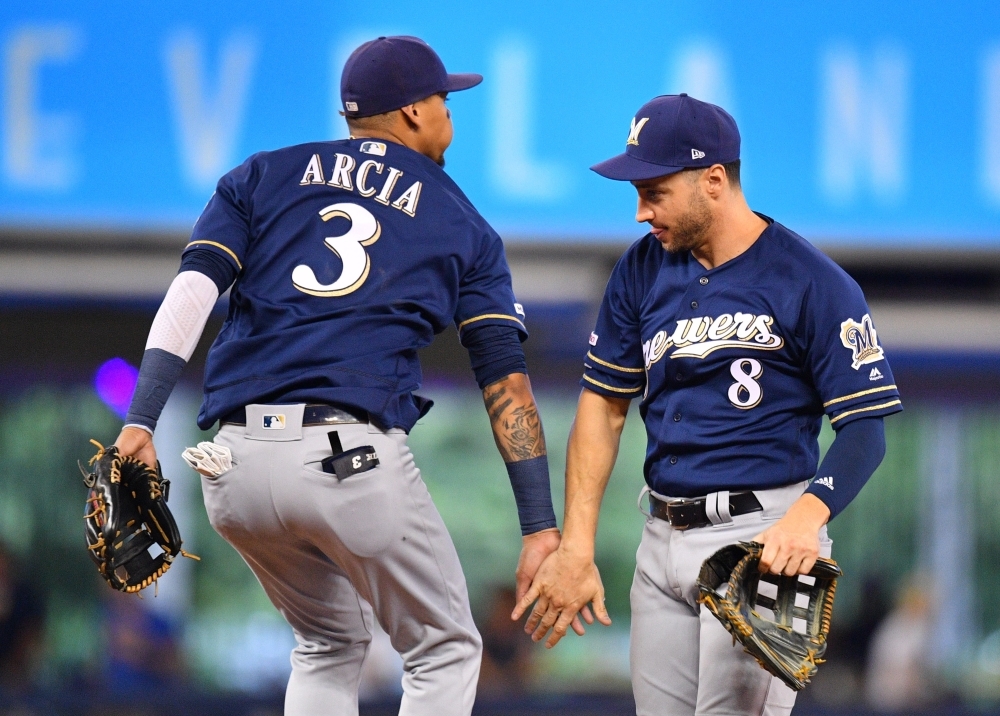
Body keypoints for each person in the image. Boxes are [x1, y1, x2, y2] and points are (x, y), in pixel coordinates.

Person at [111, 35, 566, 716]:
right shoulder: (461, 220)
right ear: (413, 111)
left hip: (233, 465)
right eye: (445, 99)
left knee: (326, 642)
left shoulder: (261, 174)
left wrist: (140, 418)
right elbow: (505, 384)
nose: (451, 113)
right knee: (443, 647)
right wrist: (539, 528)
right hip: (347, 459)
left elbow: (193, 291)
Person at [514, 94, 903, 715]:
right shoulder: (641, 270)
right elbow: (603, 408)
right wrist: (577, 545)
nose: (641, 212)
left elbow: (865, 429)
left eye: (656, 191)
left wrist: (810, 515)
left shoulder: (812, 281)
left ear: (714, 180)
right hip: (661, 535)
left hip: (764, 537)